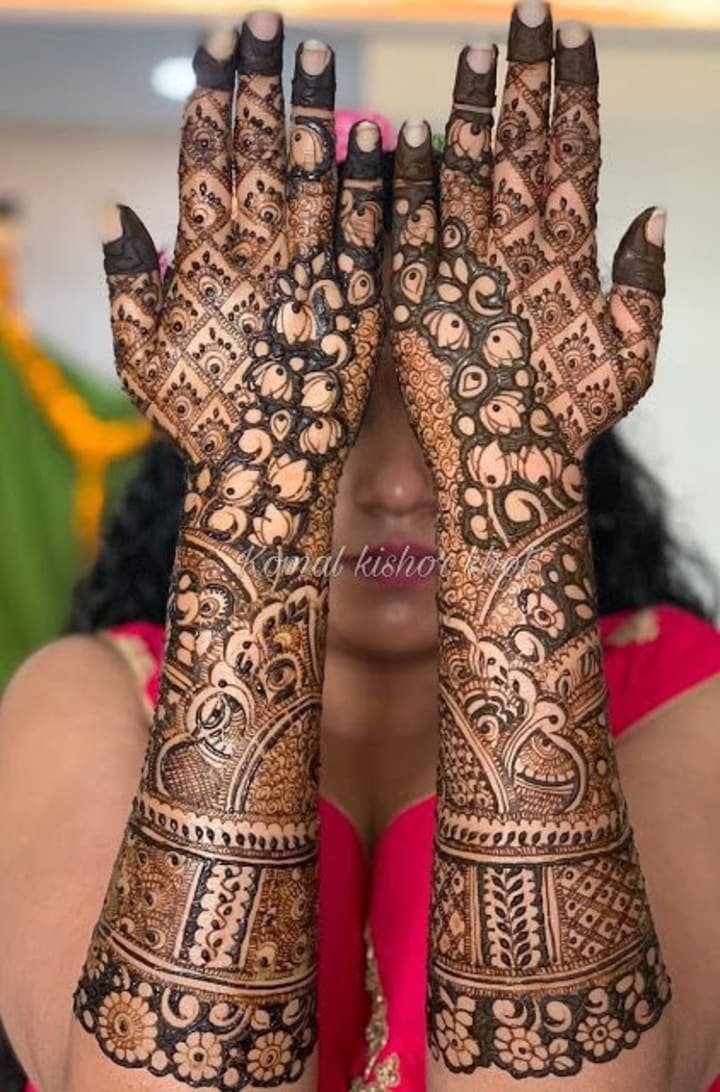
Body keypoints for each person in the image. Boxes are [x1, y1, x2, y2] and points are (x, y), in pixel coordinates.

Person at [1, 3, 720, 1090]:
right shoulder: (91, 695)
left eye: (445, 406)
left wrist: (508, 485)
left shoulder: (677, 690)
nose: (395, 487)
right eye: (337, 413)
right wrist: (258, 485)